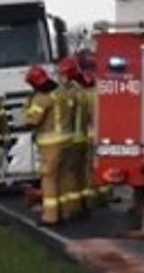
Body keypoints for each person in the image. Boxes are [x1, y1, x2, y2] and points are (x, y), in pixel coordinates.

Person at [22, 63, 70, 224]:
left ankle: (50, 216)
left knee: (48, 179)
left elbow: (32, 120)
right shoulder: (61, 94)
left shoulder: (42, 98)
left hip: (50, 143)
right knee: (63, 179)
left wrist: (26, 110)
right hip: (67, 141)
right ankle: (66, 211)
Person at [55, 55, 91, 218]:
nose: (59, 78)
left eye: (60, 74)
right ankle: (84, 204)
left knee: (68, 175)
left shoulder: (69, 93)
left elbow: (65, 118)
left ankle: (71, 208)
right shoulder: (81, 91)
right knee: (81, 174)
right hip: (82, 137)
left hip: (72, 140)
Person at [74, 50, 103, 209]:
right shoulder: (100, 91)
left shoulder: (79, 94)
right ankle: (101, 195)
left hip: (85, 136)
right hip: (100, 135)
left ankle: (89, 199)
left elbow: (81, 117)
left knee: (86, 169)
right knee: (98, 167)